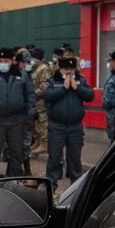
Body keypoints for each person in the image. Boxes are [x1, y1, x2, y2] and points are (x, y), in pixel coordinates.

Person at [0, 47, 35, 179]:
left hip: (16, 121)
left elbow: (30, 96)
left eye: (6, 60)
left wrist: (30, 115)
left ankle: (14, 181)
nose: (4, 63)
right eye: (0, 60)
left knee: (16, 154)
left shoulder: (22, 76)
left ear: (12, 61)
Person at [43, 53, 94, 188]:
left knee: (74, 158)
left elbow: (90, 96)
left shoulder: (81, 81)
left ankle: (75, 185)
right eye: (66, 70)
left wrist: (77, 88)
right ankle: (51, 185)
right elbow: (47, 96)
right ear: (60, 69)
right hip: (57, 126)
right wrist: (64, 88)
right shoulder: (53, 81)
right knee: (54, 157)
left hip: (75, 127)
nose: (69, 72)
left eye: (71, 70)